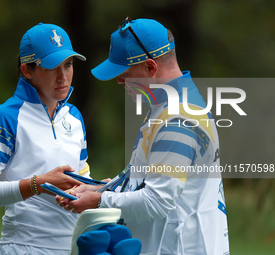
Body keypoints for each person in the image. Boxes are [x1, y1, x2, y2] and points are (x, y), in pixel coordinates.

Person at [59, 17, 230, 255]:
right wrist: (101, 189)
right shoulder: (171, 106)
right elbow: (149, 181)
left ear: (150, 67)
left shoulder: (177, 119)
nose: (119, 80)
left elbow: (157, 200)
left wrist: (98, 201)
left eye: (124, 72)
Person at [0, 22, 90, 255]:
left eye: (68, 65)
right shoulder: (5, 117)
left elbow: (82, 178)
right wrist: (37, 184)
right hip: (23, 248)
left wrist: (101, 188)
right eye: (53, 67)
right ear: (27, 70)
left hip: (73, 247)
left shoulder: (74, 116)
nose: (63, 77)